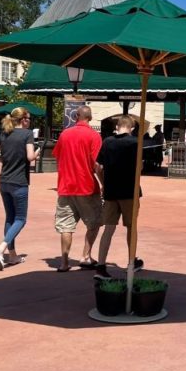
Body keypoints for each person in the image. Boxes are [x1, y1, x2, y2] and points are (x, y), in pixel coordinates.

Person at [52, 105, 103, 272]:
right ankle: (86, 256)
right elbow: (97, 165)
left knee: (66, 226)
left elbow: (58, 157)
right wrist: (104, 184)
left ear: (75, 117)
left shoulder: (64, 134)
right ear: (90, 117)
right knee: (94, 222)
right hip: (86, 186)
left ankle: (64, 262)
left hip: (65, 186)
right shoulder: (94, 136)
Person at [94, 115, 144, 278]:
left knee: (108, 228)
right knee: (131, 227)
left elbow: (98, 167)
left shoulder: (107, 142)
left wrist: (103, 184)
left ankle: (101, 265)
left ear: (118, 126)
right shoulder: (135, 143)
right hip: (129, 190)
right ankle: (131, 261)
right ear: (132, 128)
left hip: (111, 191)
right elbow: (140, 166)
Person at [0, 108, 37, 270]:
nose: (29, 121)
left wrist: (3, 160)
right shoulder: (27, 134)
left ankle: (13, 255)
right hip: (19, 181)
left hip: (4, 181)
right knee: (21, 219)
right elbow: (30, 157)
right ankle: (1, 248)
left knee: (10, 217)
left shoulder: (5, 133)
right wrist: (38, 151)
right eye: (28, 118)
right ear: (23, 119)